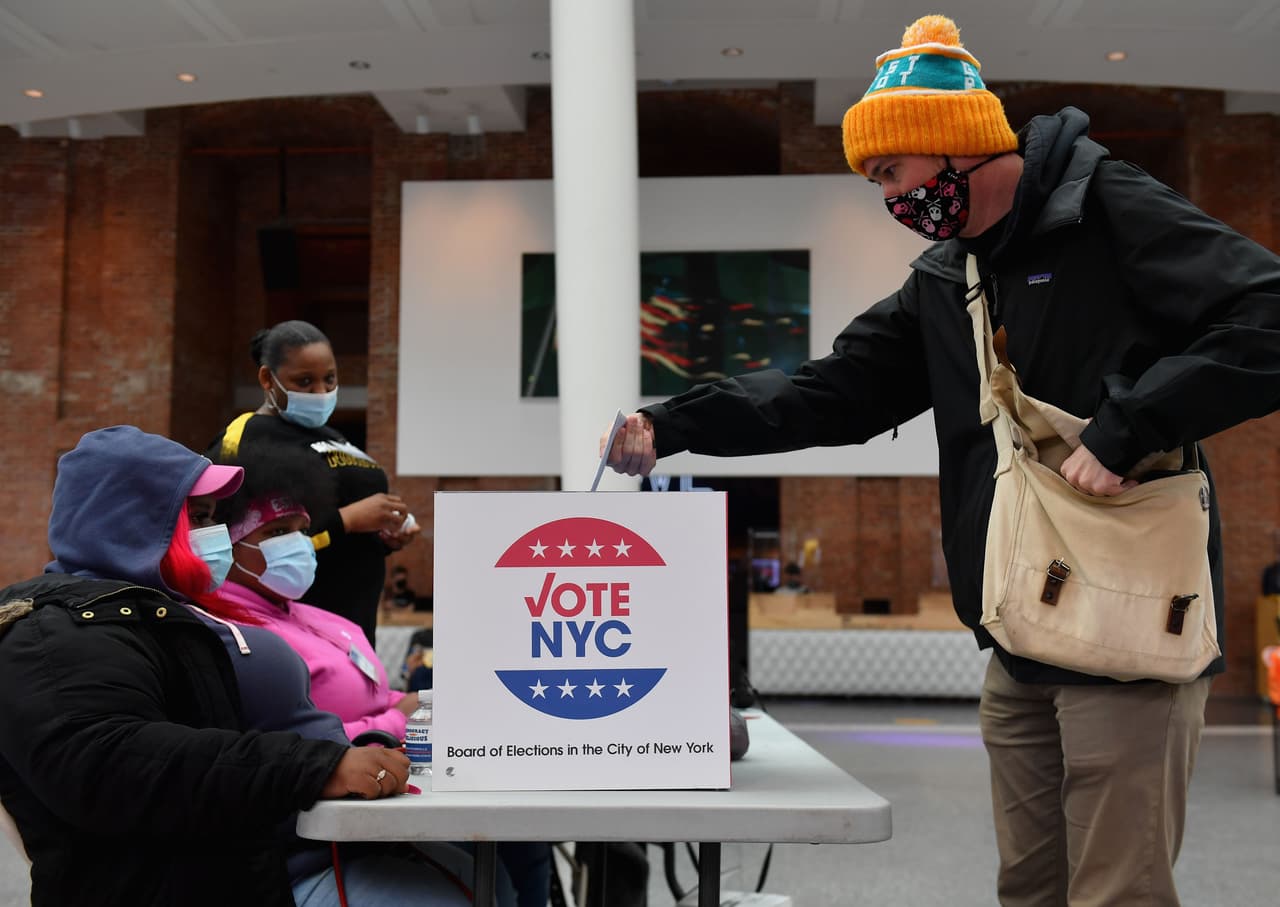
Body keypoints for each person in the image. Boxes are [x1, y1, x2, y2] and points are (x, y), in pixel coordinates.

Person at [604, 14, 1280, 906]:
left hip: (1130, 625)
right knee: (1027, 887)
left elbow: (1266, 317)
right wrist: (675, 423)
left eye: (891, 171)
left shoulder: (1110, 209)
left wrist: (1128, 427)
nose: (887, 196)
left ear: (950, 147)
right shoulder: (946, 276)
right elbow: (832, 391)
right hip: (1016, 630)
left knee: (1118, 891)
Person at [0, 426, 433, 907]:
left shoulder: (160, 610)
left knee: (479, 870)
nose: (214, 534)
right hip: (224, 881)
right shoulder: (56, 634)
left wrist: (359, 748)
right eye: (196, 518)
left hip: (287, 856)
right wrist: (314, 766)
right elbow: (107, 760)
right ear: (134, 521)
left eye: (212, 518)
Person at [213, 444, 551, 907]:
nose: (295, 543)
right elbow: (281, 746)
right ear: (227, 544)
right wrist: (402, 717)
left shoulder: (319, 618)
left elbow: (375, 694)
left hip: (391, 799)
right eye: (276, 532)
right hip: (314, 842)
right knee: (478, 883)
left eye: (301, 529)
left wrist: (413, 703)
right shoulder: (236, 635)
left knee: (512, 858)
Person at [207, 319, 420, 645]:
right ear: (267, 378)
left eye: (329, 379)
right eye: (305, 382)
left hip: (355, 624)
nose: (320, 392)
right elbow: (243, 538)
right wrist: (348, 520)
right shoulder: (248, 436)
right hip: (298, 628)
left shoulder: (335, 437)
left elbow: (341, 535)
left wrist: (385, 537)